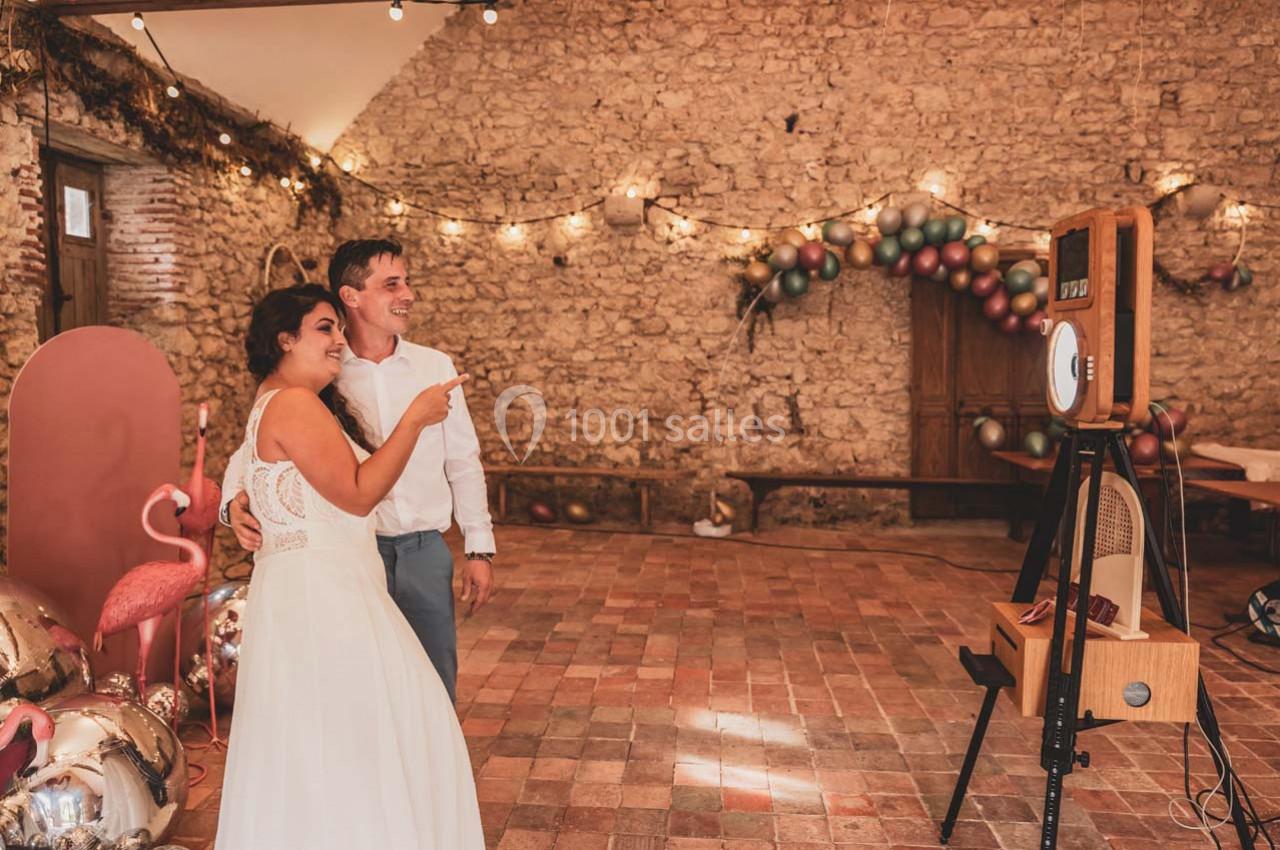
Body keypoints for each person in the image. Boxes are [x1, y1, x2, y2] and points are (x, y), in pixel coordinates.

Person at [214, 284, 483, 849]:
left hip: (319, 590)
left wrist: (240, 500)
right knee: (385, 731)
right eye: (324, 329)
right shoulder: (291, 403)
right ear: (285, 339)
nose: (339, 342)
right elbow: (359, 494)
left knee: (335, 739)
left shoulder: (280, 399)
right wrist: (415, 420)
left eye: (338, 329)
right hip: (326, 599)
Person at [220, 238, 495, 703]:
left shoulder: (434, 366)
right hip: (349, 553)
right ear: (352, 296)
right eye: (392, 285)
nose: (407, 294)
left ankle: (430, 771)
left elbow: (463, 460)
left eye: (406, 282)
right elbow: (252, 448)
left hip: (422, 549)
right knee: (357, 688)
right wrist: (233, 503)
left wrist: (479, 547)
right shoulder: (321, 367)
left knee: (432, 682)